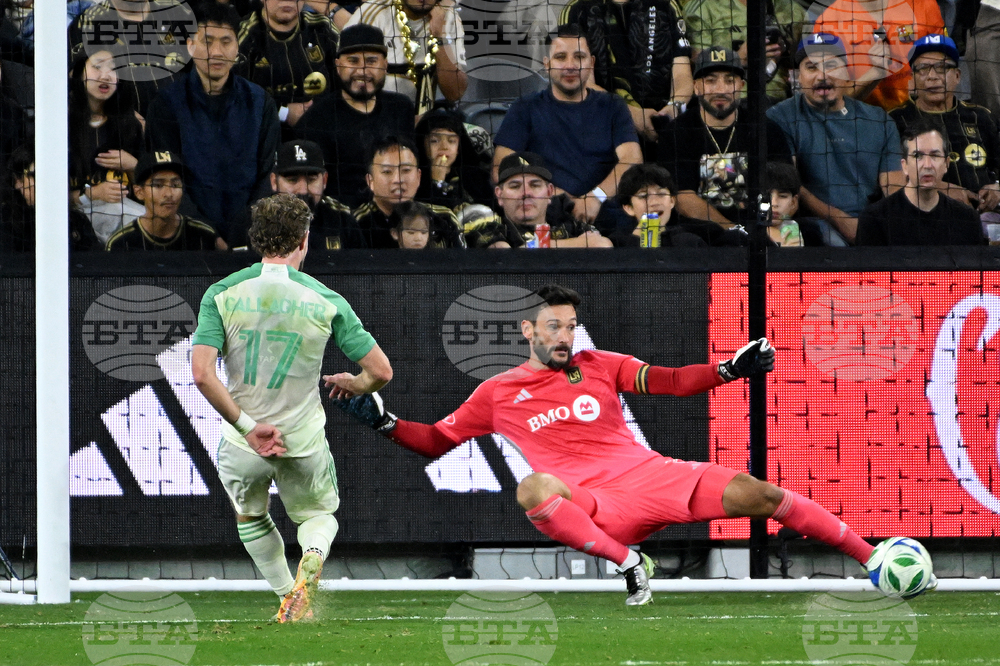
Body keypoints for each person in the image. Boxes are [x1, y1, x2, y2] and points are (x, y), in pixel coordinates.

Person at [335, 283, 936, 605]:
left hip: (648, 474)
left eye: (570, 325)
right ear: (527, 330)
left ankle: (874, 559)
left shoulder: (602, 363)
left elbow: (671, 383)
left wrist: (728, 369)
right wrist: (386, 424)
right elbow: (437, 441)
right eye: (553, 327)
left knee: (759, 492)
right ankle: (629, 563)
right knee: (533, 486)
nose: (565, 336)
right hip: (596, 506)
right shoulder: (497, 392)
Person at [190, 192, 393, 623]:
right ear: (305, 239)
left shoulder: (222, 293)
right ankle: (312, 559)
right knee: (319, 515)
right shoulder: (326, 299)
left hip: (244, 442)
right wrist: (353, 383)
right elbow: (380, 371)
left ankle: (287, 596)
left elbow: (203, 374)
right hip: (302, 438)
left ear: (256, 239)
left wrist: (249, 426)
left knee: (249, 513)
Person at [146, 2, 281, 247]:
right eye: (207, 41)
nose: (217, 51)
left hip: (250, 240)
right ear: (190, 45)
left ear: (237, 46)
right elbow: (167, 178)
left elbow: (268, 177)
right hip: (185, 241)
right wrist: (207, 235)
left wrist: (245, 232)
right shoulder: (165, 105)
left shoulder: (261, 103)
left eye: (226, 41)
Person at [493, 24, 642, 224]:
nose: (570, 65)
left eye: (579, 57)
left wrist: (595, 198)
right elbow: (500, 167)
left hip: (610, 218)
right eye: (560, 57)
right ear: (546, 64)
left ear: (591, 63)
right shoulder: (525, 107)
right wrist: (563, 199)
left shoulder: (613, 106)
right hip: (547, 218)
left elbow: (631, 158)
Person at [767, 34, 906, 245]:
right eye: (812, 67)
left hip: (870, 221)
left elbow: (894, 189)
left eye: (831, 66)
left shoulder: (879, 120)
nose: (822, 76)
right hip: (815, 224)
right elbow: (791, 186)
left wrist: (882, 225)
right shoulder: (780, 117)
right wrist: (842, 221)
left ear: (847, 73)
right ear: (797, 76)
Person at [657, 46, 791, 228]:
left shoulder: (765, 129)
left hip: (759, 226)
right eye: (711, 81)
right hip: (700, 232)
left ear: (741, 86)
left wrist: (764, 228)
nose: (721, 90)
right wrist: (732, 231)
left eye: (729, 81)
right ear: (696, 87)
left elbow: (786, 189)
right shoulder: (677, 132)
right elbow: (682, 197)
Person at [295, 24, 415, 208]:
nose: (362, 71)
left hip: (400, 216)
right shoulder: (316, 120)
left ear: (385, 65)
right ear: (338, 66)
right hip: (346, 223)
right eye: (353, 61)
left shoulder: (401, 108)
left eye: (372, 61)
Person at [888, 34, 1000, 214]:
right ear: (912, 79)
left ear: (957, 76)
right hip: (923, 214)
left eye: (942, 68)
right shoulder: (895, 120)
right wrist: (940, 188)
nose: (932, 77)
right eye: (923, 69)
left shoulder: (981, 116)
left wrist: (997, 187)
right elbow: (890, 178)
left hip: (985, 214)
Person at [560, 0, 694, 145]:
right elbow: (581, 84)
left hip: (662, 127)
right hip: (603, 131)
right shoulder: (577, 9)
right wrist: (629, 114)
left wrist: (674, 107)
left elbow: (682, 74)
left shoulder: (666, 4)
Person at [856, 121, 984, 245]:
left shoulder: (967, 219)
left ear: (946, 164)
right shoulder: (874, 220)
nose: (927, 165)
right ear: (904, 165)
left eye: (935, 155)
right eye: (917, 156)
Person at [68, 49, 146, 246]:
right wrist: (92, 194)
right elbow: (44, 194)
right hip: (73, 220)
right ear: (78, 73)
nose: (105, 75)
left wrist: (133, 165)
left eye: (114, 69)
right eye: (97, 66)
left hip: (124, 216)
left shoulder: (131, 124)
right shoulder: (61, 122)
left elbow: (149, 188)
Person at [810, 0, 945, 112]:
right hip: (863, 120)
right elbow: (830, 101)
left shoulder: (924, 4)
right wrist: (875, 73)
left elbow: (944, 70)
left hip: (923, 113)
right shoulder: (827, 24)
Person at [68, 0, 196, 117]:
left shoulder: (179, 13)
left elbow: (202, 74)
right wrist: (125, 118)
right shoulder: (87, 24)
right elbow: (76, 86)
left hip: (183, 126)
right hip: (123, 134)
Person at [468, 152, 613, 249]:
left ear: (550, 192)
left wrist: (543, 245)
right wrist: (579, 243)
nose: (526, 193)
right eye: (515, 186)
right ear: (499, 195)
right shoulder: (491, 228)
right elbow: (507, 258)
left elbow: (604, 245)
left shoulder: (571, 226)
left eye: (535, 185)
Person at [345, 0, 466, 114]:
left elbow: (455, 93)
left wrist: (440, 37)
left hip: (420, 122)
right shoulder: (374, 11)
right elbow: (344, 72)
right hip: (370, 116)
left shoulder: (449, 19)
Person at [237, 0, 339, 131]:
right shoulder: (245, 35)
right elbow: (235, 97)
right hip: (265, 132)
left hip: (322, 130)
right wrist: (283, 113)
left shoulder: (323, 28)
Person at [352, 135, 465, 248]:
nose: (398, 180)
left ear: (418, 176)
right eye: (387, 172)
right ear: (370, 180)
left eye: (406, 170)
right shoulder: (354, 223)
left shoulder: (444, 219)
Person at [683, 0, 806, 102]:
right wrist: (739, 58)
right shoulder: (703, 7)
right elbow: (696, 65)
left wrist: (785, 52)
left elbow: (804, 63)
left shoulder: (793, 10)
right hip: (726, 101)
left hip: (779, 102)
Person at [106, 151, 225, 251]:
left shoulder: (204, 236)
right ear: (139, 192)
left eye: (175, 185)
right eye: (158, 185)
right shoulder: (121, 243)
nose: (168, 194)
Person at [615, 163, 748, 247]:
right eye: (644, 196)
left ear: (672, 201)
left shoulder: (699, 235)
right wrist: (635, 241)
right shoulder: (615, 243)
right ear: (628, 208)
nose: (654, 202)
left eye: (661, 194)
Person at [270, 139, 366, 251]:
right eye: (292, 180)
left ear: (324, 181)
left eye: (311, 180)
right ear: (274, 182)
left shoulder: (343, 222)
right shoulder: (258, 223)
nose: (303, 190)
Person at [1, 144, 99, 253]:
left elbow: (93, 262)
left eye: (53, 174)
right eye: (38, 175)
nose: (48, 181)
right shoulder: (5, 221)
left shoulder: (76, 220)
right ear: (17, 181)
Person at [414, 107, 493, 212]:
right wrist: (437, 182)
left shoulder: (475, 177)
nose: (444, 147)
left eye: (451, 141)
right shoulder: (415, 177)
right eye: (434, 141)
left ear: (459, 147)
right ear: (422, 144)